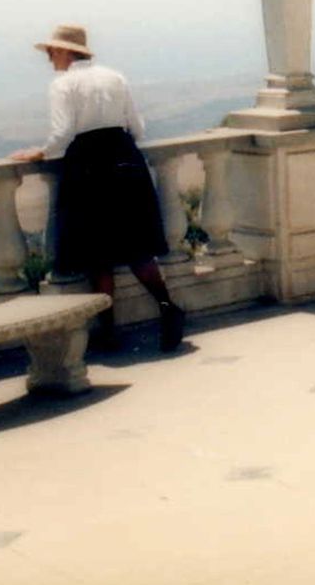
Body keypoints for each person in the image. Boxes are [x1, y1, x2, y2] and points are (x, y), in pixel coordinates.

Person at [10, 25, 185, 353]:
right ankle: (168, 308)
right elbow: (137, 126)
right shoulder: (115, 77)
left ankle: (108, 330)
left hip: (88, 166)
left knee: (97, 253)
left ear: (64, 51)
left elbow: (62, 134)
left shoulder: (63, 84)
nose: (50, 60)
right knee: (137, 247)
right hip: (124, 160)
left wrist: (39, 152)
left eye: (51, 53)